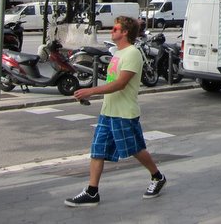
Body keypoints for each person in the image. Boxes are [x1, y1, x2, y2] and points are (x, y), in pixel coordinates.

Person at [65, 16, 167, 207]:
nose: (112, 31)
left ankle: (157, 176)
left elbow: (120, 84)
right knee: (97, 150)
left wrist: (91, 91)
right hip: (108, 111)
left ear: (125, 32)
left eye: (115, 29)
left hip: (124, 112)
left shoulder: (132, 54)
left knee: (135, 149)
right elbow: (112, 81)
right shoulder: (118, 53)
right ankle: (92, 192)